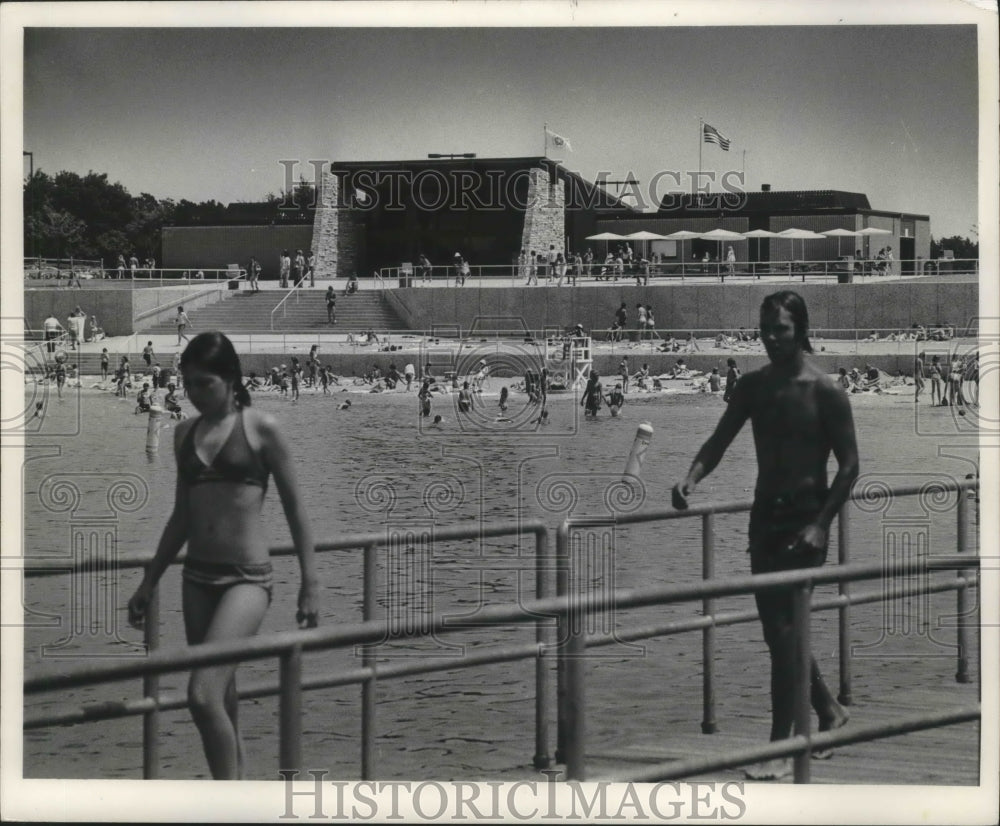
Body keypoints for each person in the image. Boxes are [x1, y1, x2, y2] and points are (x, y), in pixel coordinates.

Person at [672, 290, 856, 781]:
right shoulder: (752, 387)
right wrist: (691, 477)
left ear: (802, 330)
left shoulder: (826, 391)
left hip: (805, 524)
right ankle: (830, 712)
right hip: (764, 521)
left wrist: (822, 525)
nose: (772, 338)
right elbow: (718, 441)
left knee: (786, 632)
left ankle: (782, 746)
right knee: (779, 635)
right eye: (766, 329)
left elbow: (851, 467)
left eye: (782, 329)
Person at [127, 332, 319, 780]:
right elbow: (180, 519)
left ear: (230, 378)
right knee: (222, 694)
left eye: (204, 384)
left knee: (201, 695)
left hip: (247, 581)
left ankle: (229, 801)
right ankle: (238, 787)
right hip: (196, 579)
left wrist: (312, 583)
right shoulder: (182, 434)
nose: (194, 395)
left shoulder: (261, 429)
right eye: (189, 384)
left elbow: (295, 507)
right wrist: (149, 581)